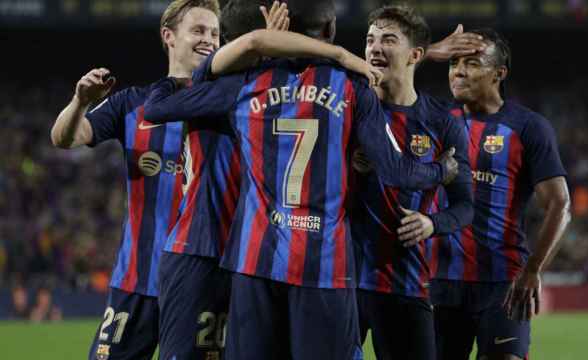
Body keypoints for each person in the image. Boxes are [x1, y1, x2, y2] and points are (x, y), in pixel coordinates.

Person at [142, 1, 459, 358]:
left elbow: (157, 107)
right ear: (330, 31)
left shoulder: (245, 82)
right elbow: (397, 173)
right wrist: (441, 171)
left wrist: (199, 70)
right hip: (323, 266)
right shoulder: (354, 86)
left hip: (255, 263)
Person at [50, 1, 221, 359]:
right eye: (199, 30)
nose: (209, 40)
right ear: (168, 36)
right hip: (136, 282)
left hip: (203, 285)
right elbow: (64, 138)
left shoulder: (229, 104)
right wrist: (81, 101)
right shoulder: (132, 104)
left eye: (215, 33)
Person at [428, 28, 572, 360]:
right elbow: (378, 82)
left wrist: (534, 269)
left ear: (499, 73)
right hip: (439, 280)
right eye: (453, 63)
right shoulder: (433, 121)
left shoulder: (528, 127)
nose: (459, 71)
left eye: (472, 63)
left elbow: (560, 205)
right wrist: (430, 51)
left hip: (503, 283)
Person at [351, 5, 478, 360]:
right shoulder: (349, 109)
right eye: (370, 40)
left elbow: (465, 205)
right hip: (342, 280)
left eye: (388, 40)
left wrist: (431, 223)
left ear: (416, 55)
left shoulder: (442, 122)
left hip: (405, 282)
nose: (375, 48)